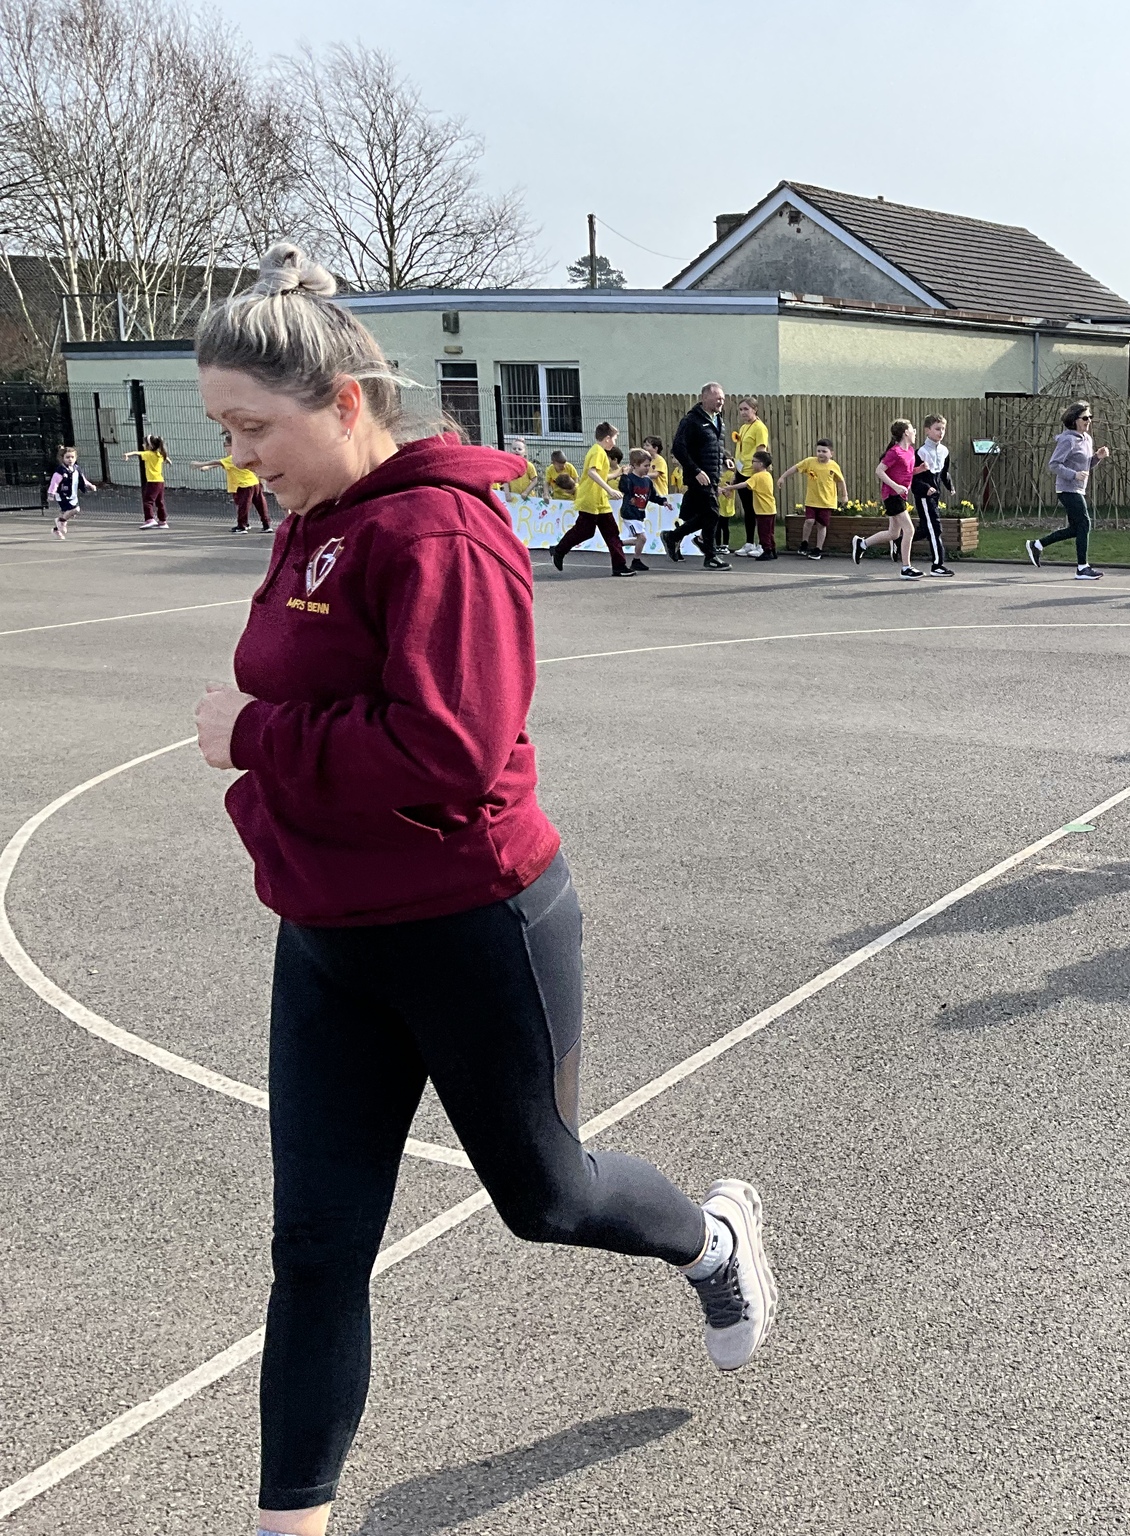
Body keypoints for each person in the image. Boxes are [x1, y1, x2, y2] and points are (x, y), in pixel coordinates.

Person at [187, 243, 775, 1536]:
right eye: (224, 430)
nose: (239, 458)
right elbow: (309, 692)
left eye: (254, 428)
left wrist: (253, 740)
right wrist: (269, 787)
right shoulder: (311, 525)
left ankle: (712, 1242)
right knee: (316, 1251)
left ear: (346, 401)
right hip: (327, 937)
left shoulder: (442, 532)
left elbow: (448, 750)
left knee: (548, 1198)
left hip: (471, 924)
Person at [1027, 400, 1106, 581]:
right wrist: (1073, 475)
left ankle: (1037, 545)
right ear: (1074, 420)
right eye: (1085, 418)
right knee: (1085, 523)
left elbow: (1085, 465)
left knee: (1076, 529)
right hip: (1067, 490)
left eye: (1090, 417)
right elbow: (1054, 464)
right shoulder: (1067, 440)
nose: (1089, 420)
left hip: (1078, 489)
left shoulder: (1087, 439)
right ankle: (1082, 568)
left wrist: (1097, 457)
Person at [549, 423, 633, 577]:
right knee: (585, 531)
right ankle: (559, 550)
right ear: (607, 438)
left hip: (600, 501)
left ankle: (619, 566)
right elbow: (592, 472)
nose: (615, 442)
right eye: (614, 438)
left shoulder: (599, 452)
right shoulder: (597, 452)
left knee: (611, 533)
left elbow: (601, 476)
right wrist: (610, 490)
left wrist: (620, 472)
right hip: (590, 498)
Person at [663, 382, 731, 570]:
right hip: (698, 477)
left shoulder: (718, 419)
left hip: (713, 476)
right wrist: (696, 471)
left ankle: (673, 536)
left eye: (723, 398)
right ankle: (711, 556)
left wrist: (725, 459)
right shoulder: (691, 421)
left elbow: (715, 446)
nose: (721, 401)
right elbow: (678, 448)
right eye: (717, 398)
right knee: (713, 513)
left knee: (707, 516)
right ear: (704, 398)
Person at [853, 418, 921, 579]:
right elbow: (879, 471)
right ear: (906, 433)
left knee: (893, 534)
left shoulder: (910, 451)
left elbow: (906, 472)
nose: (915, 432)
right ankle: (906, 568)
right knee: (909, 530)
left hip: (900, 495)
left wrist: (920, 469)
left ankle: (862, 543)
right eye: (912, 429)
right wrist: (896, 486)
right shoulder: (894, 452)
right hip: (892, 495)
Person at [779, 439, 847, 561]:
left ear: (831, 453)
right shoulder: (810, 462)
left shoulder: (834, 466)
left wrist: (844, 495)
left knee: (821, 525)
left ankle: (818, 549)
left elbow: (841, 481)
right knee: (809, 521)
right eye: (818, 451)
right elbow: (795, 468)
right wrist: (783, 477)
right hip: (811, 500)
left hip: (826, 502)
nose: (821, 454)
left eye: (824, 451)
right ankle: (804, 543)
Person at [195, 431, 272, 532]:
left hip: (244, 485)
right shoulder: (242, 455)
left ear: (233, 446)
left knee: (243, 506)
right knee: (260, 505)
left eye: (226, 445)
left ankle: (242, 526)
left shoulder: (233, 458)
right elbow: (222, 463)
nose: (225, 448)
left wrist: (200, 464)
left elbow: (218, 462)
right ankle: (267, 525)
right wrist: (208, 467)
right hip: (254, 482)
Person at [911, 414, 955, 577]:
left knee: (925, 529)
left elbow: (944, 472)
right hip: (924, 496)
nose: (941, 432)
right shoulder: (920, 452)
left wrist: (950, 486)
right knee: (935, 528)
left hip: (935, 495)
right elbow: (913, 478)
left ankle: (898, 542)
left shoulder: (944, 451)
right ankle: (938, 565)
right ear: (927, 430)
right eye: (937, 429)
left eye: (943, 429)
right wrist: (925, 488)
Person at [726, 399, 770, 558]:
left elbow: (761, 450)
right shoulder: (744, 427)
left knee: (758, 509)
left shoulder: (760, 427)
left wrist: (759, 471)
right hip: (742, 471)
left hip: (753, 473)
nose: (743, 412)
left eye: (746, 409)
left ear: (755, 409)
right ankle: (749, 542)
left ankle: (762, 544)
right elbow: (740, 451)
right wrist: (735, 473)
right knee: (748, 509)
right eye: (740, 410)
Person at [614, 447, 664, 571]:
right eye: (645, 466)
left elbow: (652, 496)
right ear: (635, 465)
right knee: (642, 538)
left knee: (640, 540)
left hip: (639, 514)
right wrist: (624, 475)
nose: (648, 468)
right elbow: (623, 488)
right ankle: (636, 560)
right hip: (629, 513)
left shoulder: (647, 481)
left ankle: (617, 544)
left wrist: (663, 501)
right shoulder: (630, 478)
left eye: (649, 466)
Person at [735, 447, 779, 561]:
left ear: (760, 464)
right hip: (771, 509)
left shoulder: (757, 476)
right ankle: (773, 550)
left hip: (763, 510)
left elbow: (744, 484)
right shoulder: (767, 475)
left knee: (763, 532)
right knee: (770, 532)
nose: (752, 464)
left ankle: (767, 550)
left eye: (753, 461)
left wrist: (729, 487)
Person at [46, 445, 93, 538]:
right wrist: (51, 494)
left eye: (72, 457)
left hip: (73, 495)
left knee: (67, 513)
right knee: (75, 509)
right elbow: (54, 483)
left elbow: (82, 479)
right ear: (62, 458)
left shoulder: (76, 469)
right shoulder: (60, 471)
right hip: (63, 495)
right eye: (67, 457)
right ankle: (61, 521)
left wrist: (90, 485)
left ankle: (56, 529)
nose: (70, 459)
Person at [124, 435, 170, 528]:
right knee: (160, 501)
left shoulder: (149, 454)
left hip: (153, 482)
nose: (143, 445)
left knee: (148, 501)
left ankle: (149, 519)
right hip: (160, 481)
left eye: (145, 444)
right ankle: (163, 521)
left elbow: (137, 453)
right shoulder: (160, 454)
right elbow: (165, 457)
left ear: (150, 446)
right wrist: (168, 460)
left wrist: (127, 454)